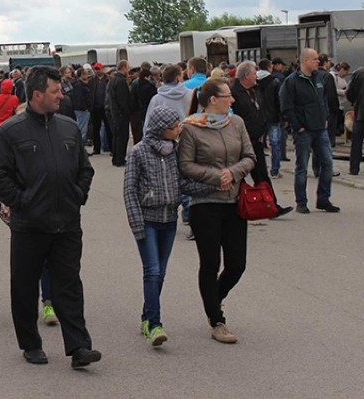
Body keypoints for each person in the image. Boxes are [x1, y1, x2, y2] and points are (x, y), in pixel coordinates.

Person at [0, 65, 100, 369]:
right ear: (37, 95)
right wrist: (22, 202)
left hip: (67, 223)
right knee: (24, 286)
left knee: (69, 286)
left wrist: (78, 195)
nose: (61, 95)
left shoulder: (68, 127)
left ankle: (79, 347)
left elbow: (85, 168)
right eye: (55, 91)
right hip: (29, 225)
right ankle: (30, 344)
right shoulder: (10, 131)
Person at [123, 105, 216, 347]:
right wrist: (137, 225)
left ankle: (146, 316)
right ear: (161, 129)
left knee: (160, 272)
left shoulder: (175, 152)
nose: (178, 130)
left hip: (169, 220)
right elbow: (130, 190)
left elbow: (184, 185)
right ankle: (154, 325)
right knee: (152, 271)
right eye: (174, 127)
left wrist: (212, 185)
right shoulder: (139, 152)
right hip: (147, 220)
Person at [179, 78, 256, 344]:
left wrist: (232, 173)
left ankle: (214, 297)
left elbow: (250, 156)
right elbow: (185, 165)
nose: (232, 100)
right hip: (205, 205)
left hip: (235, 202)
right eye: (227, 96)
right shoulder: (190, 128)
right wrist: (215, 177)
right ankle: (216, 320)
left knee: (237, 264)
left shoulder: (237, 123)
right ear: (212, 100)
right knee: (210, 264)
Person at [279, 48, 340, 214]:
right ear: (305, 61)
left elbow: (323, 100)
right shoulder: (292, 81)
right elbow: (286, 106)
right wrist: (297, 125)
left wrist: (325, 117)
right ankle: (301, 202)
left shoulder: (319, 78)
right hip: (303, 131)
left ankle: (323, 199)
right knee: (302, 167)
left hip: (320, 129)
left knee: (327, 163)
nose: (317, 62)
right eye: (314, 59)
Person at [231, 61, 293, 217]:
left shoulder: (255, 90)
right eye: (253, 73)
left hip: (256, 139)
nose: (256, 76)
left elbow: (261, 110)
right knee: (239, 176)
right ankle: (239, 206)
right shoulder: (234, 93)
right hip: (240, 142)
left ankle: (271, 205)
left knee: (261, 175)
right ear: (246, 76)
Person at [107, 60, 131, 167]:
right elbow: (123, 100)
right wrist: (127, 112)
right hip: (120, 114)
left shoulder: (113, 80)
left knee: (116, 136)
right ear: (124, 68)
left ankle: (116, 157)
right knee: (122, 137)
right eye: (128, 67)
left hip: (114, 112)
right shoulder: (121, 82)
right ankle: (120, 159)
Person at [88, 62, 110, 154]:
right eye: (96, 69)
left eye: (99, 69)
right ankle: (96, 148)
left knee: (108, 128)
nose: (97, 71)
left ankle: (110, 147)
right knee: (96, 129)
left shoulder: (108, 79)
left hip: (105, 107)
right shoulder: (92, 80)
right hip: (95, 107)